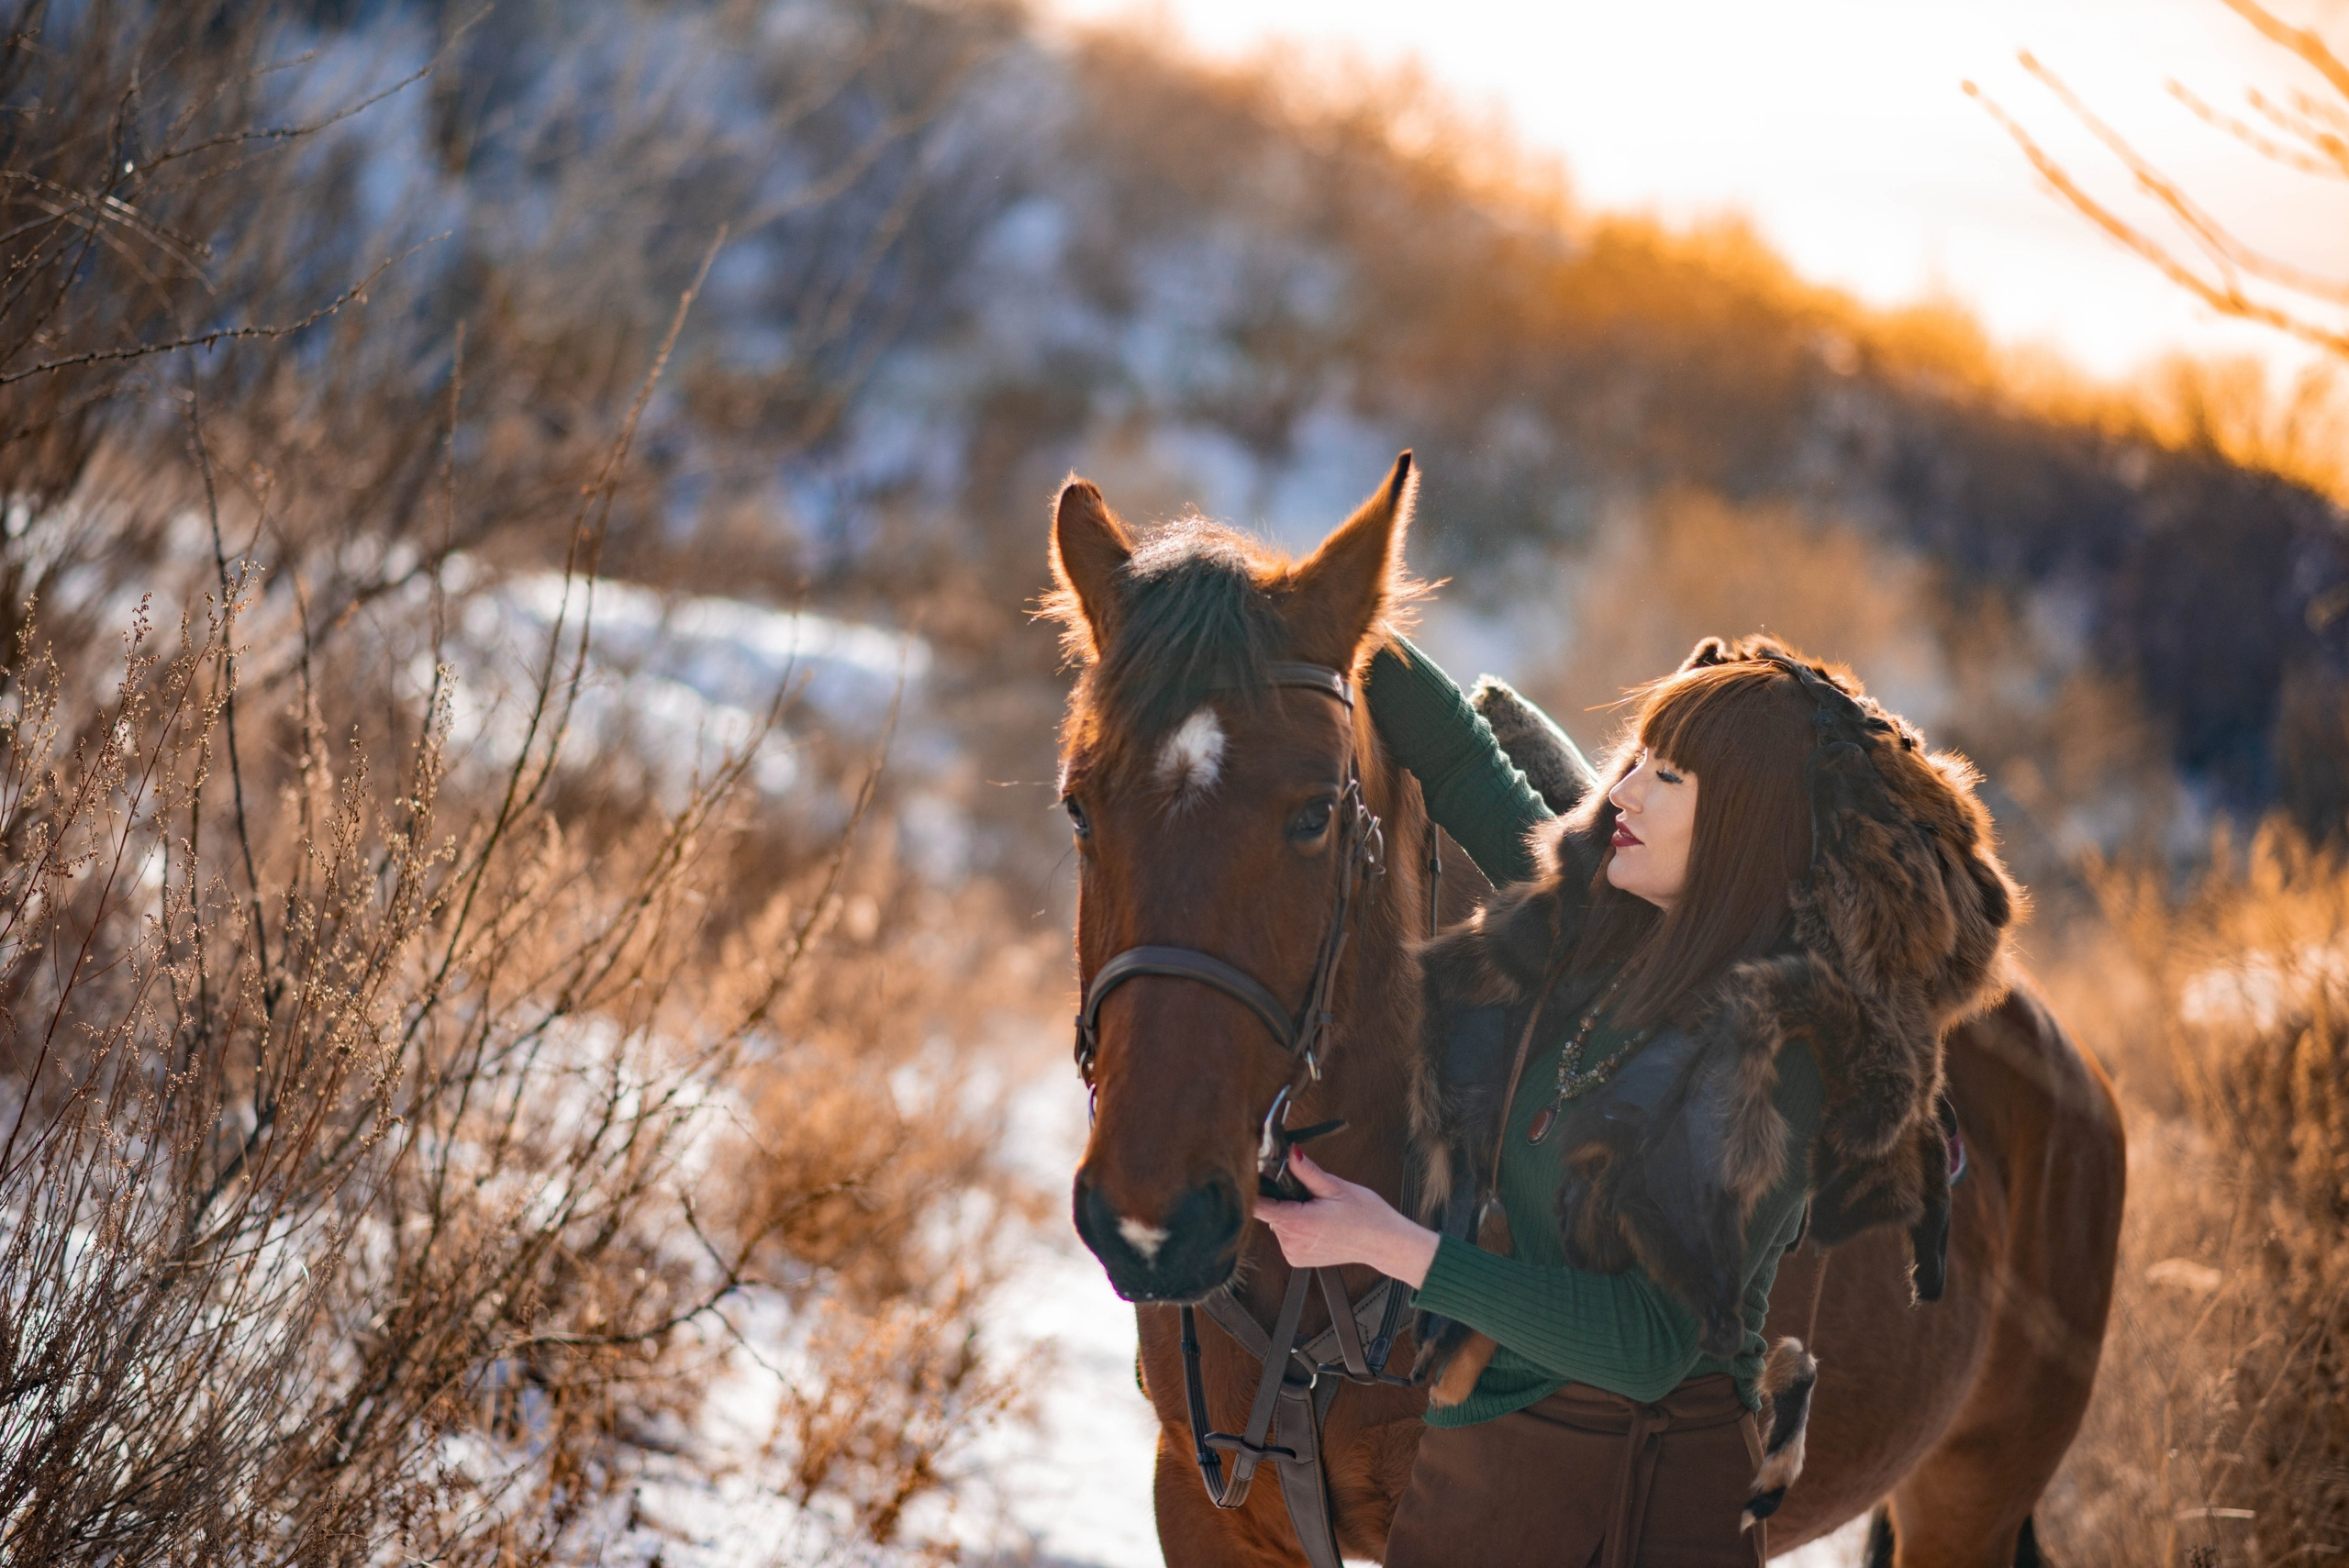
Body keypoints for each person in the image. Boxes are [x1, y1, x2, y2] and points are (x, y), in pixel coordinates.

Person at [1258, 633, 2010, 1566]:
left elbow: (1648, 1339)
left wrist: (1381, 1241)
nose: (1620, 790)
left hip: (1640, 1504)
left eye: (1667, 777)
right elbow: (1464, 767)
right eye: (1637, 762)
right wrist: (1322, 617)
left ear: (1745, 825)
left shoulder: (1775, 1055)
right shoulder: (1605, 934)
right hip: (1490, 1483)